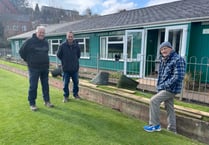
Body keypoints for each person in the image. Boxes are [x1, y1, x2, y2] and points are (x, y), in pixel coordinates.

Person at [143, 41, 186, 133]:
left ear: (171, 48)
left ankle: (155, 125)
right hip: (163, 88)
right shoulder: (164, 60)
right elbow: (161, 75)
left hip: (171, 89)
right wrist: (159, 86)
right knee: (169, 108)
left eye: (165, 48)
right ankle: (172, 129)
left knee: (154, 100)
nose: (163, 51)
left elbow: (178, 77)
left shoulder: (178, 59)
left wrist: (164, 85)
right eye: (161, 49)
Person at [19, 26, 54, 111]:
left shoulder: (45, 42)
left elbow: (45, 53)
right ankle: (32, 103)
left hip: (45, 68)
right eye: (40, 32)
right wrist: (28, 60)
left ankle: (47, 101)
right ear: (36, 32)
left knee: (45, 85)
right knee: (33, 86)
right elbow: (21, 52)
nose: (42, 34)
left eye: (43, 33)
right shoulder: (29, 41)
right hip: (34, 68)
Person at [57, 31, 81, 102]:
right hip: (66, 69)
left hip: (74, 69)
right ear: (66, 37)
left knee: (76, 82)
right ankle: (66, 96)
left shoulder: (77, 46)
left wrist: (74, 61)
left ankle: (75, 94)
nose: (70, 38)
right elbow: (59, 55)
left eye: (71, 37)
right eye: (69, 36)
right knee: (65, 83)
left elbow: (78, 55)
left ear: (73, 37)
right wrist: (64, 61)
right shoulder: (62, 46)